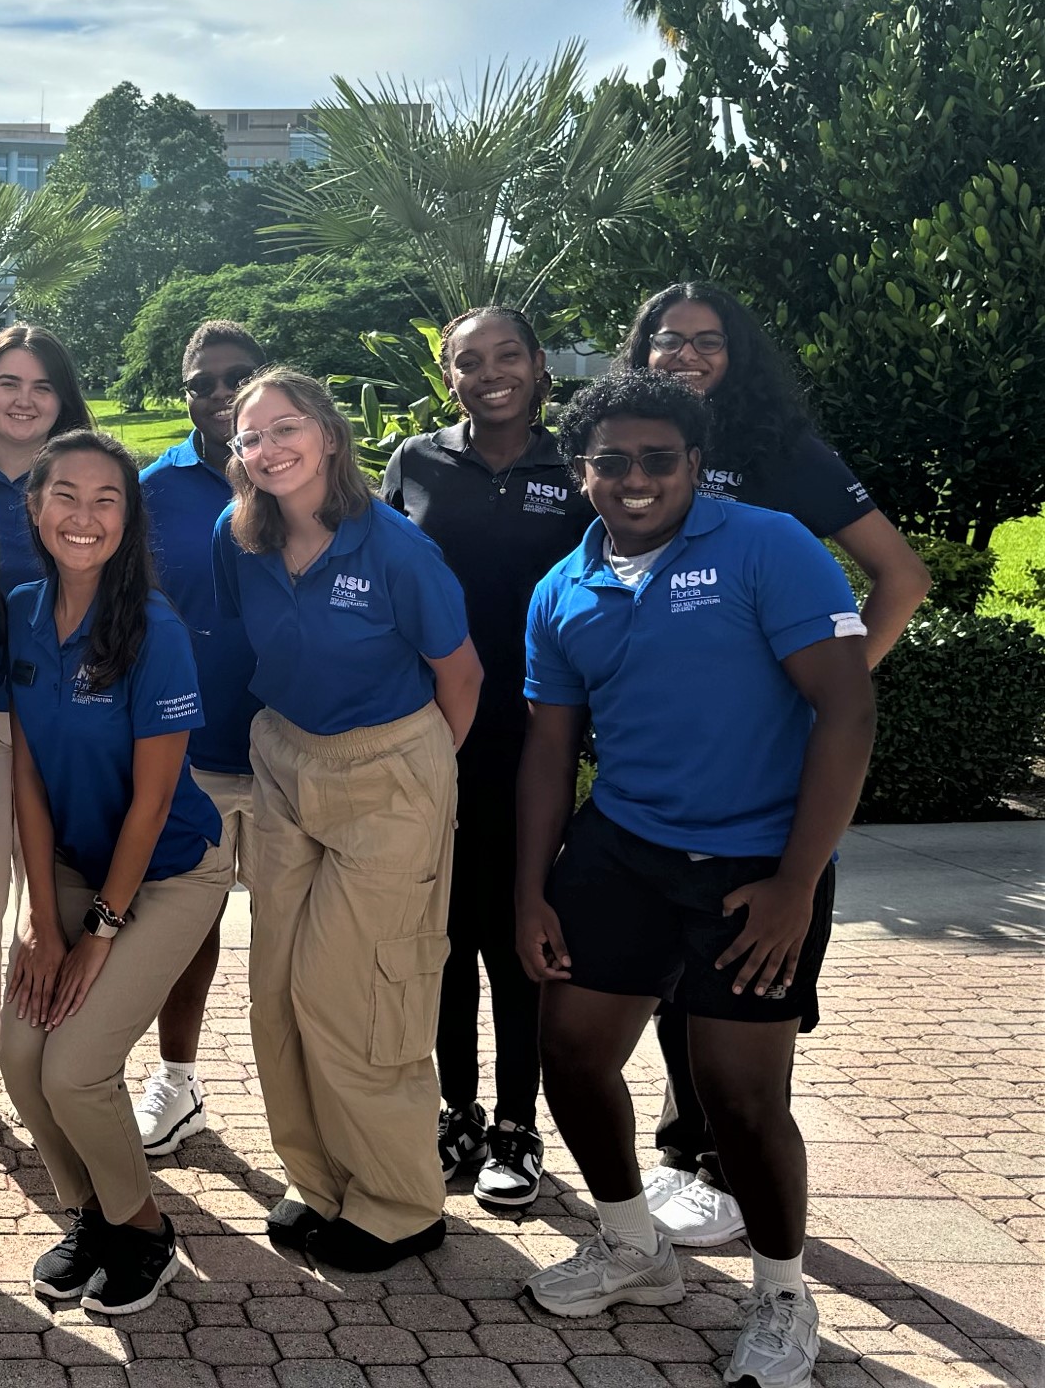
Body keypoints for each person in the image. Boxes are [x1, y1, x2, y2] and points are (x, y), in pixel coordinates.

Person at [516, 369, 875, 1388]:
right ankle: (633, 1249)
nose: (636, 480)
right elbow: (549, 749)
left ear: (693, 463)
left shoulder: (770, 547)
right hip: (623, 846)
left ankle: (782, 1294)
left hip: (761, 862)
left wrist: (799, 883)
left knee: (739, 1094)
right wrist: (532, 888)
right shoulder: (562, 589)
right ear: (581, 471)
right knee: (573, 1054)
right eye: (611, 461)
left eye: (658, 459)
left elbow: (846, 713)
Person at [620, 282, 929, 1247]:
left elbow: (903, 576)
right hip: (660, 759)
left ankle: (727, 1167)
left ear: (737, 353)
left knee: (751, 959)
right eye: (667, 340)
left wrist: (825, 685)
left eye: (707, 341)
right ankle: (689, 1150)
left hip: (761, 771)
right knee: (677, 962)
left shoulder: (785, 458)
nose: (685, 355)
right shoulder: (634, 448)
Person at [213, 368, 483, 1273]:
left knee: (361, 992)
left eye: (286, 427)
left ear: (328, 433)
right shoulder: (237, 535)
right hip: (285, 755)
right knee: (280, 989)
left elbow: (462, 679)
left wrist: (415, 777)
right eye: (251, 438)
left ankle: (401, 1201)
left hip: (390, 768)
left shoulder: (397, 550)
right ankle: (322, 1178)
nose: (269, 449)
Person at [0, 431, 230, 1316]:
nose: (84, 515)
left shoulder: (154, 629)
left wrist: (97, 929)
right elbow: (23, 768)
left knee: (77, 1068)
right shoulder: (18, 610)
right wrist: (40, 918)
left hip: (169, 870)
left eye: (107, 498)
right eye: (66, 494)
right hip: (67, 864)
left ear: (129, 517)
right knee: (21, 1054)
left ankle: (145, 1229)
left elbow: (153, 796)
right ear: (36, 506)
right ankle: (92, 1212)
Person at [379, 307, 594, 1207]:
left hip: (538, 739)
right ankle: (456, 1112)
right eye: (470, 360)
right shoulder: (415, 462)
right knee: (445, 939)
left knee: (521, 933)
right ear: (449, 374)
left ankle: (517, 1123)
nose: (491, 372)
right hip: (432, 740)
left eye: (509, 355)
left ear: (540, 366)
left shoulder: (576, 467)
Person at [0, 324, 92, 1145]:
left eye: (41, 384)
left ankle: (57, 1069)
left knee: (60, 899)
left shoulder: (87, 475)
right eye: (8, 381)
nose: (24, 398)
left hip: (68, 716)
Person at [129, 321, 264, 1156]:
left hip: (293, 747)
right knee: (188, 927)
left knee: (298, 946)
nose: (217, 394)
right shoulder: (151, 488)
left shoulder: (302, 475)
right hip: (189, 748)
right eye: (201, 381)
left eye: (235, 378)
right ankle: (177, 1081)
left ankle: (314, 1096)